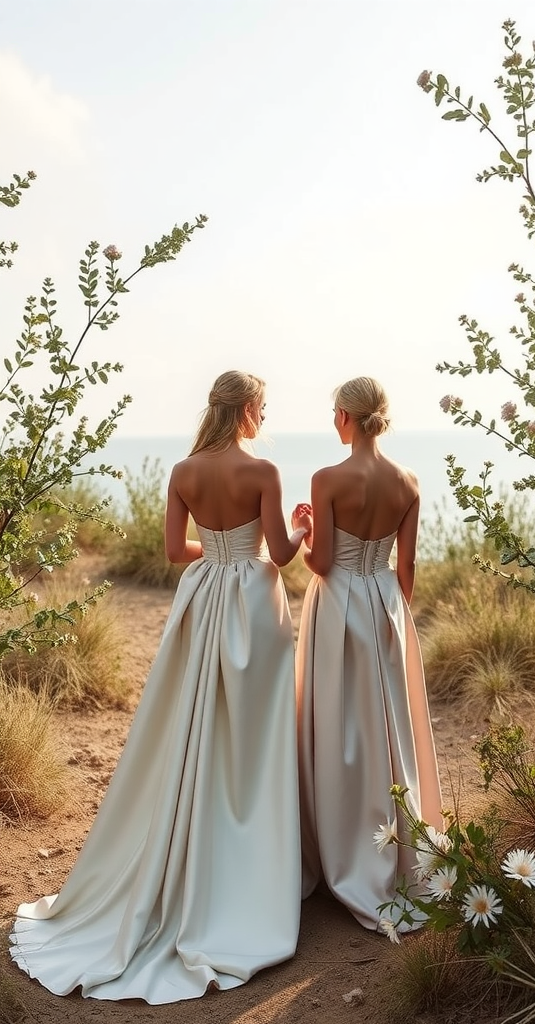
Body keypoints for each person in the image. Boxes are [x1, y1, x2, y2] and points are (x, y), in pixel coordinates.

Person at [10, 370, 312, 1003]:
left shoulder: (182, 470)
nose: (265, 416)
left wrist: (221, 554)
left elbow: (177, 551)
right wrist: (303, 528)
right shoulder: (262, 472)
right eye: (264, 406)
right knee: (251, 738)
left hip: (202, 599)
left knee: (196, 720)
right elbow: (280, 554)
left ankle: (190, 849)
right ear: (249, 410)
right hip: (253, 607)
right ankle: (248, 862)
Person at [293, 375, 442, 933]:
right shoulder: (408, 481)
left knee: (340, 725)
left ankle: (340, 847)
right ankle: (397, 843)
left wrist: (305, 530)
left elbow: (322, 563)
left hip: (338, 607)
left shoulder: (327, 478)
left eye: (335, 412)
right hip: (385, 604)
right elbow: (407, 570)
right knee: (387, 724)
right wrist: (392, 613)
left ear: (345, 418)